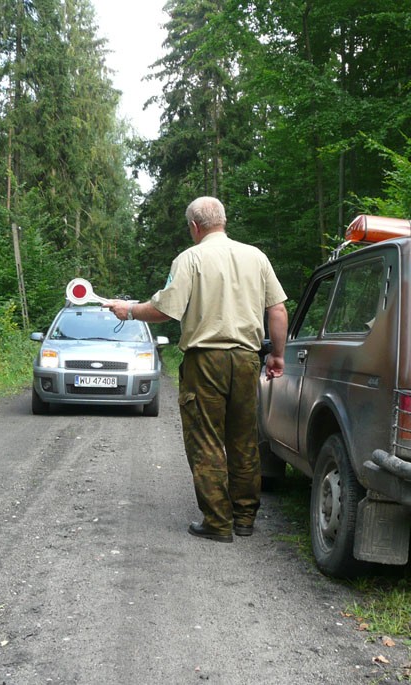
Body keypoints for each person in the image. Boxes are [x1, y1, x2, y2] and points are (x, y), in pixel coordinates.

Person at [106, 196, 288, 543]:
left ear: (194, 226)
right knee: (244, 439)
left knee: (205, 439)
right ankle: (244, 518)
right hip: (247, 359)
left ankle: (217, 522)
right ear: (224, 220)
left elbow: (165, 310)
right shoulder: (257, 257)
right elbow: (277, 310)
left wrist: (128, 310)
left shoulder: (190, 259)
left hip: (205, 361)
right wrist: (277, 355)